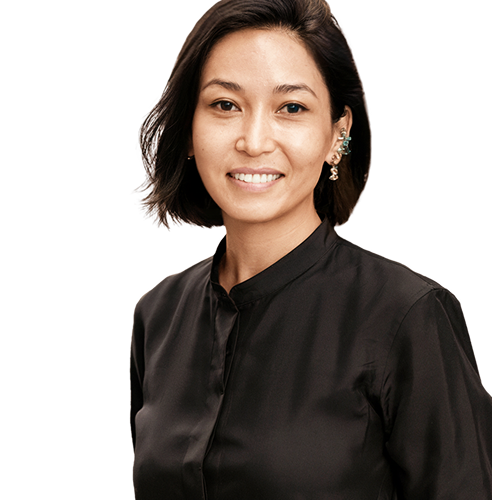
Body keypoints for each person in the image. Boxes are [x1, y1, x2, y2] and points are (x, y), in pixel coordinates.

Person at [130, 0, 492, 498]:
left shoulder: (408, 316)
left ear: (337, 135)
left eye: (292, 108)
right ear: (189, 128)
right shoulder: (157, 314)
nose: (254, 141)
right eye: (225, 105)